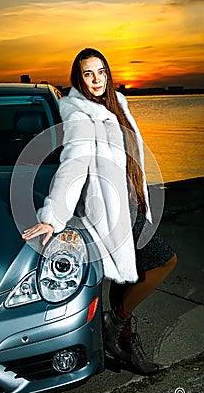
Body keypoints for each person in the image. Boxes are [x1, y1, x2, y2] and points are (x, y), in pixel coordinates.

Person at [22, 47, 177, 375]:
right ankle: (113, 322)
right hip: (112, 208)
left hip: (133, 199)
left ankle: (123, 347)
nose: (96, 79)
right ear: (78, 78)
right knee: (164, 263)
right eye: (88, 74)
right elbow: (74, 165)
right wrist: (52, 216)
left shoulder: (118, 103)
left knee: (127, 279)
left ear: (108, 73)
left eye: (101, 72)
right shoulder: (78, 113)